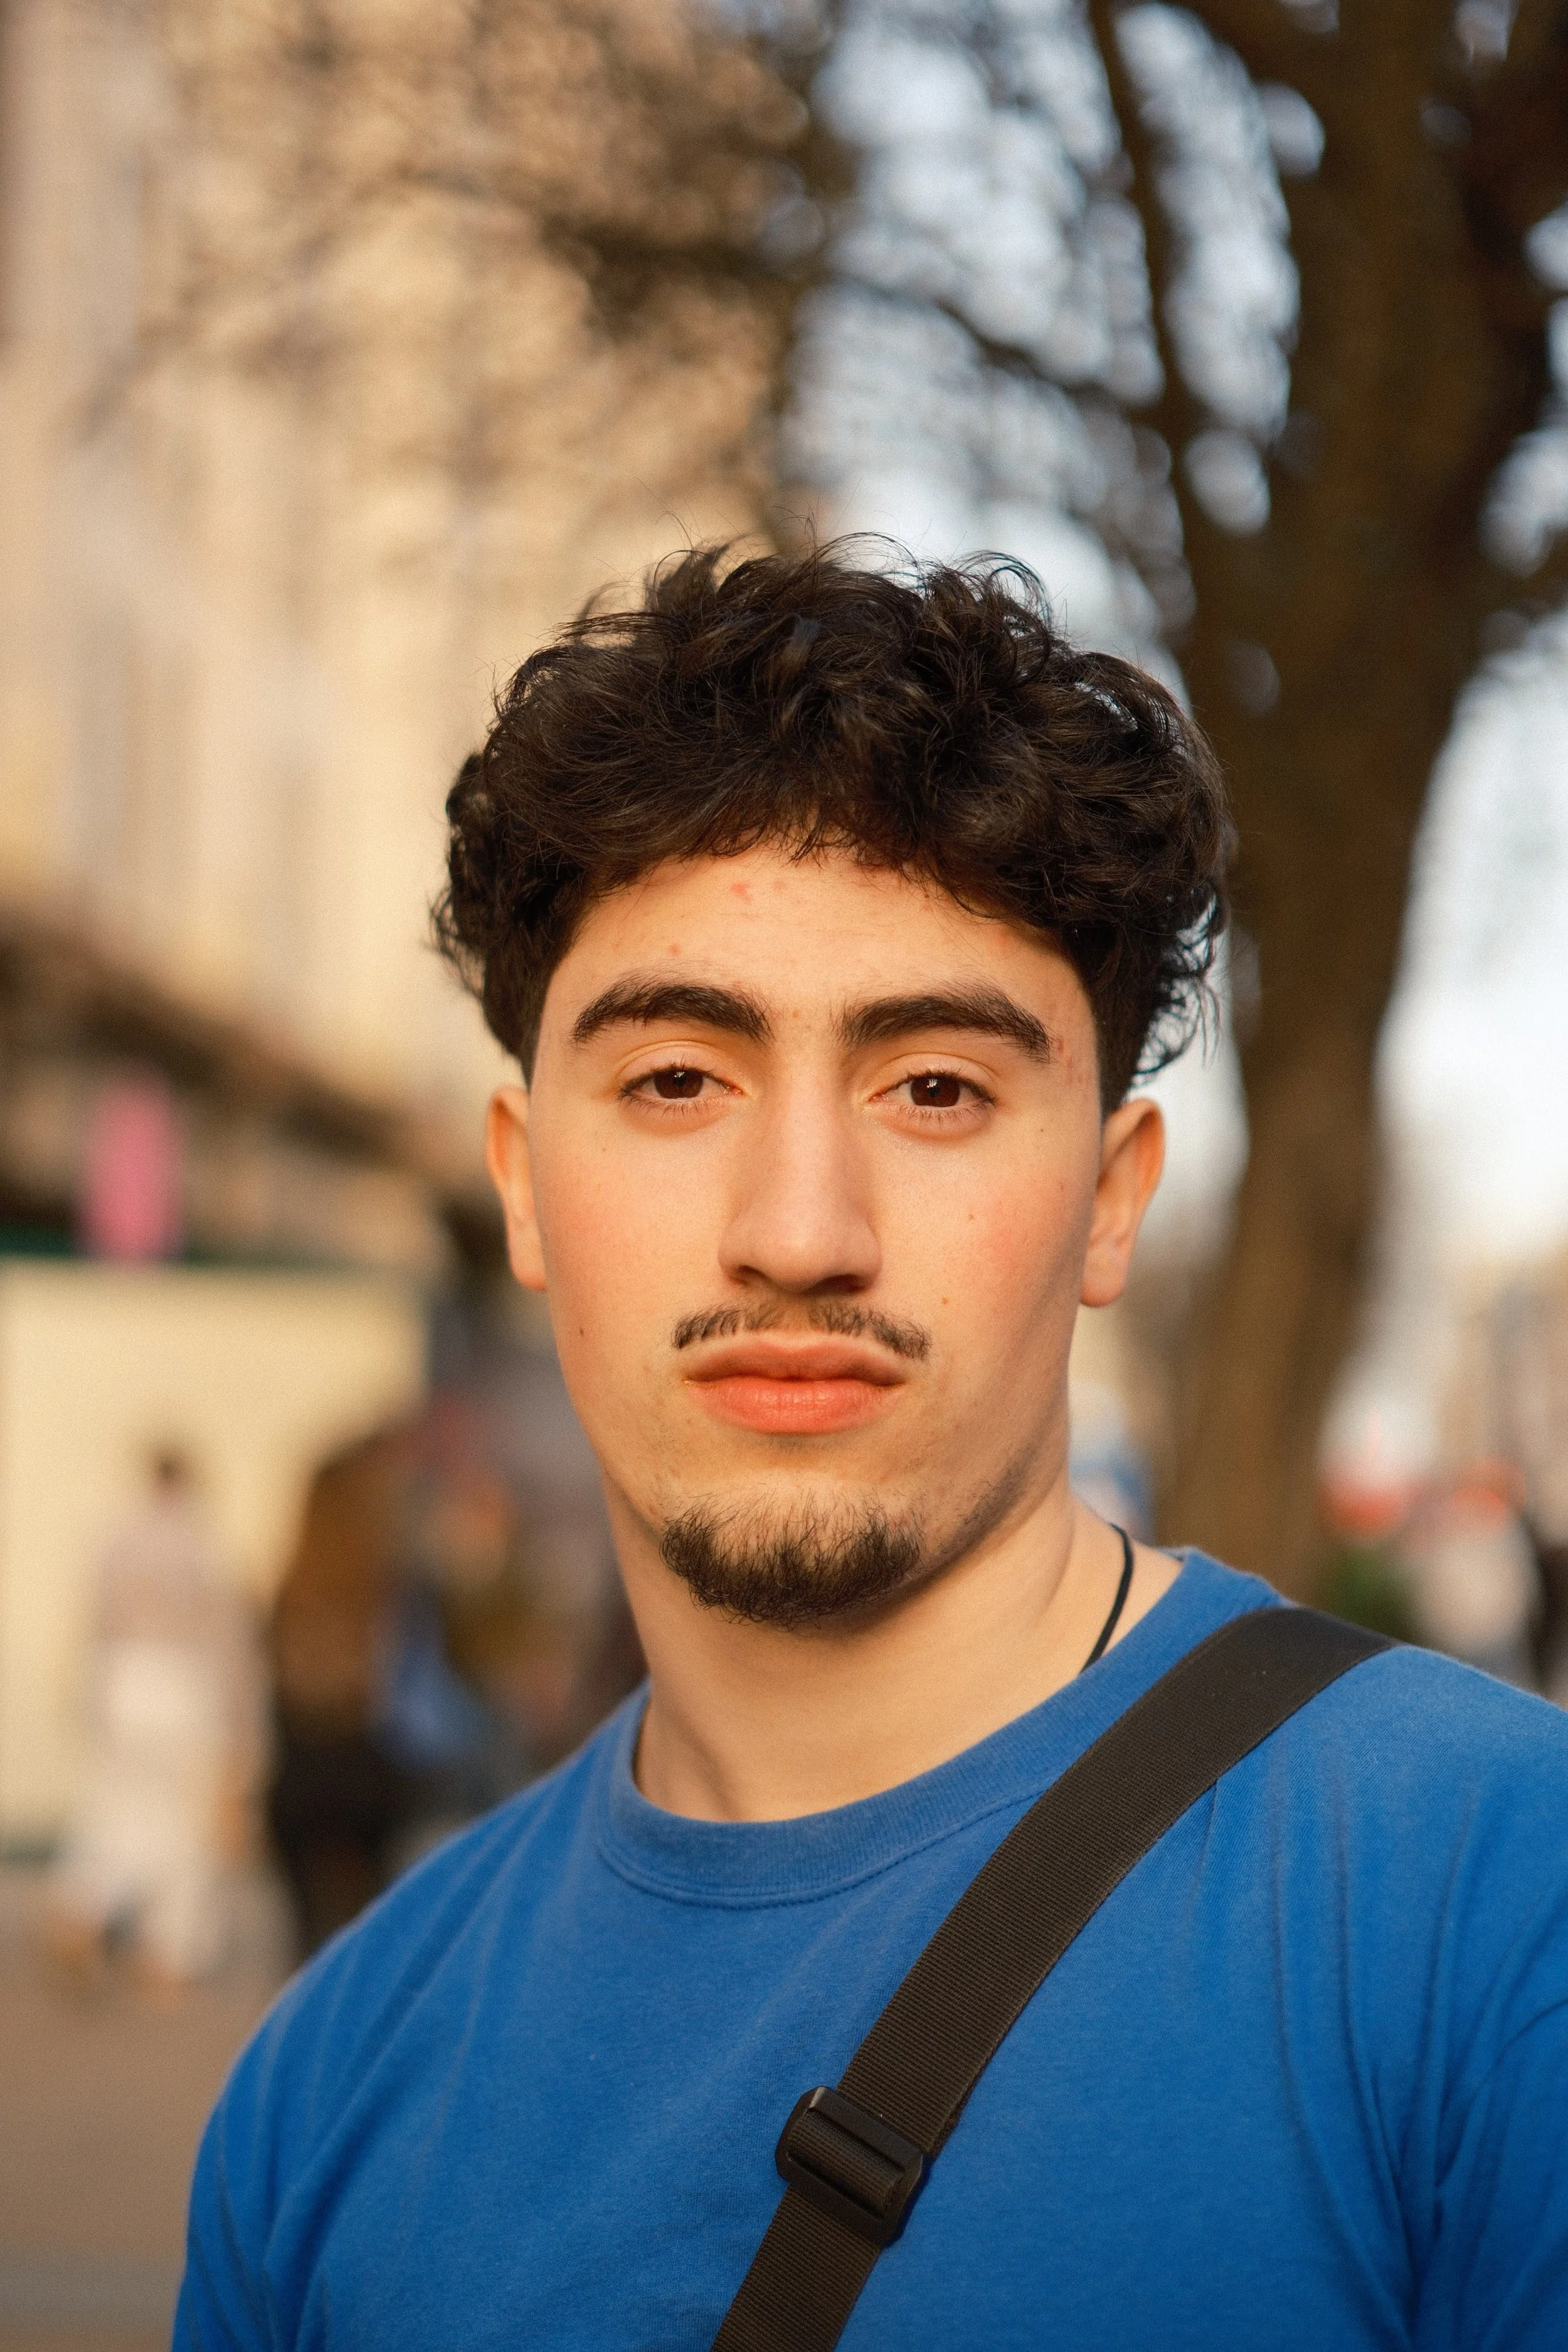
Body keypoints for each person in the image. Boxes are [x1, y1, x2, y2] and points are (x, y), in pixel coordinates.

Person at [177, 548, 1568, 2348]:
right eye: (678, 1076)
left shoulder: (1490, 1911)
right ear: (524, 1179)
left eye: (934, 1086)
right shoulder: (325, 2087)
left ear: (1106, 1200)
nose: (800, 1228)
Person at [48, 1447, 261, 1991]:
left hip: (123, 1684)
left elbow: (95, 1623)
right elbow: (229, 1642)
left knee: (115, 1809)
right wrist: (247, 1733)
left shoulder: (115, 1540)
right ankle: (168, 1954)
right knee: (185, 1830)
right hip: (185, 1689)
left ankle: (86, 1907)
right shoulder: (203, 1547)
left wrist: (89, 1700)